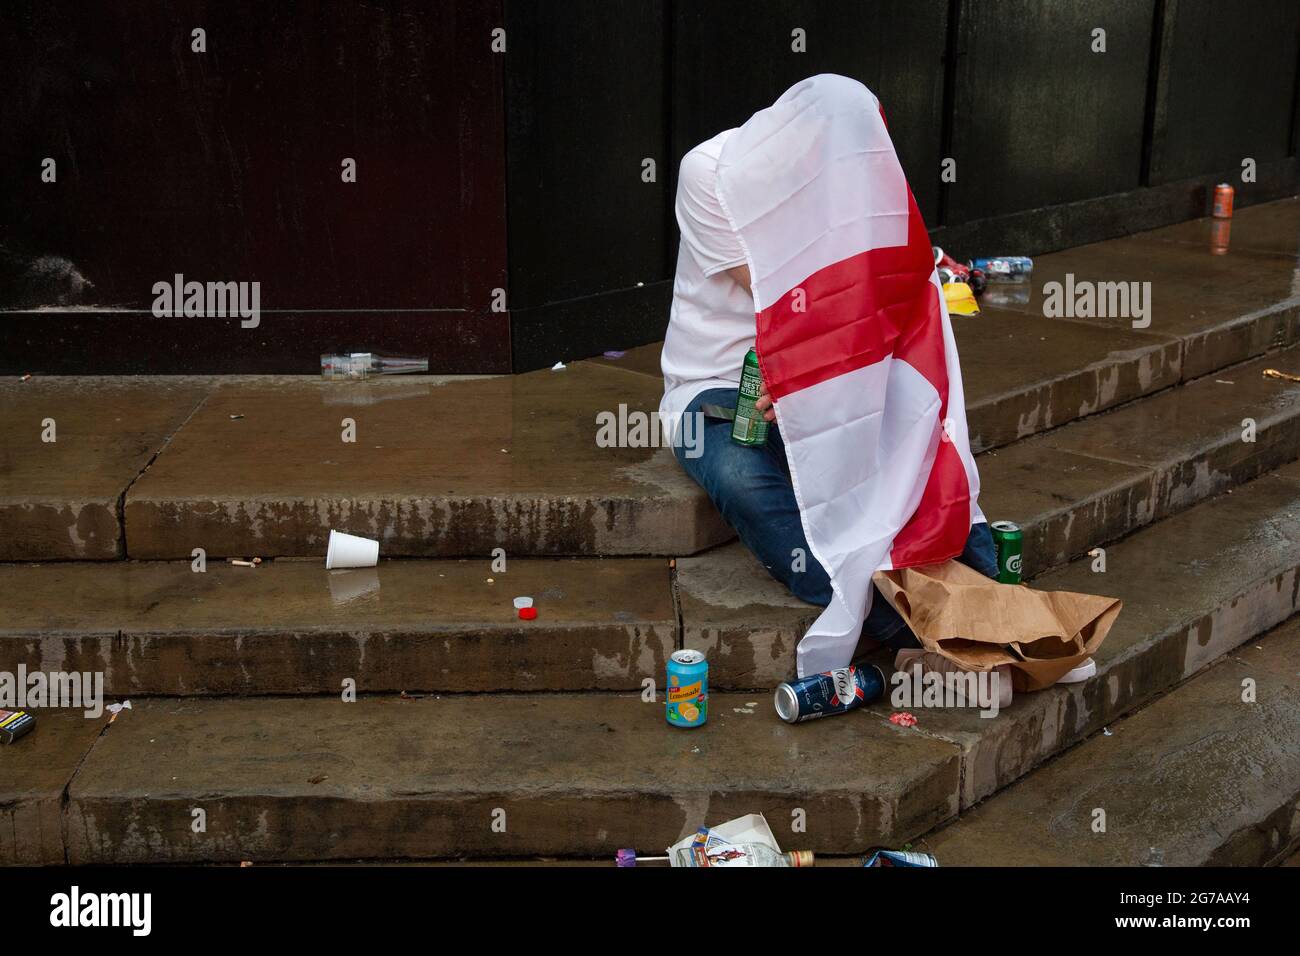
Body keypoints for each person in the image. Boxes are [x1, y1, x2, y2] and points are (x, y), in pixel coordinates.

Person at [658, 111, 998, 659]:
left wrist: (825, 385)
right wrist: (804, 381)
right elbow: (783, 296)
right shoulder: (708, 172)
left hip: (834, 373)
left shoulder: (857, 181)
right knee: (740, 475)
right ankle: (888, 618)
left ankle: (999, 594)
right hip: (719, 382)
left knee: (922, 440)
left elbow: (891, 299)